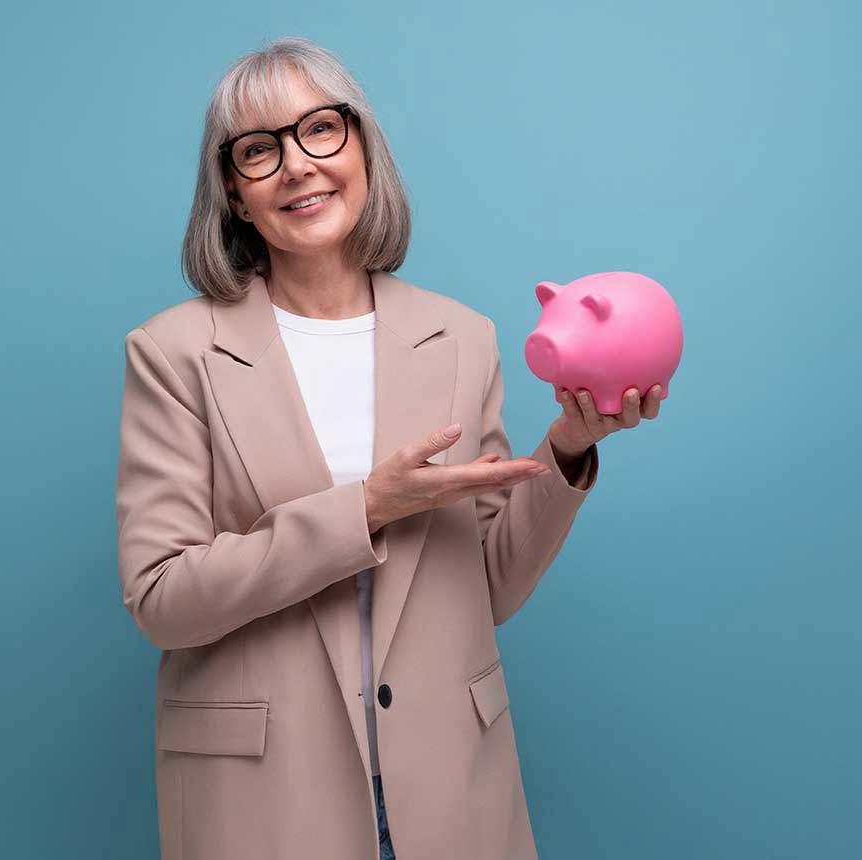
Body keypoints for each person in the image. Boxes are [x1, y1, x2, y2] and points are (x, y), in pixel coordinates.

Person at [115, 37, 662, 860]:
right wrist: (366, 508)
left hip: (448, 780)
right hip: (267, 798)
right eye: (260, 150)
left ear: (363, 146)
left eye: (320, 131)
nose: (297, 165)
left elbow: (490, 590)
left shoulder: (461, 338)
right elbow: (163, 600)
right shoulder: (173, 351)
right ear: (233, 191)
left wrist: (570, 447)